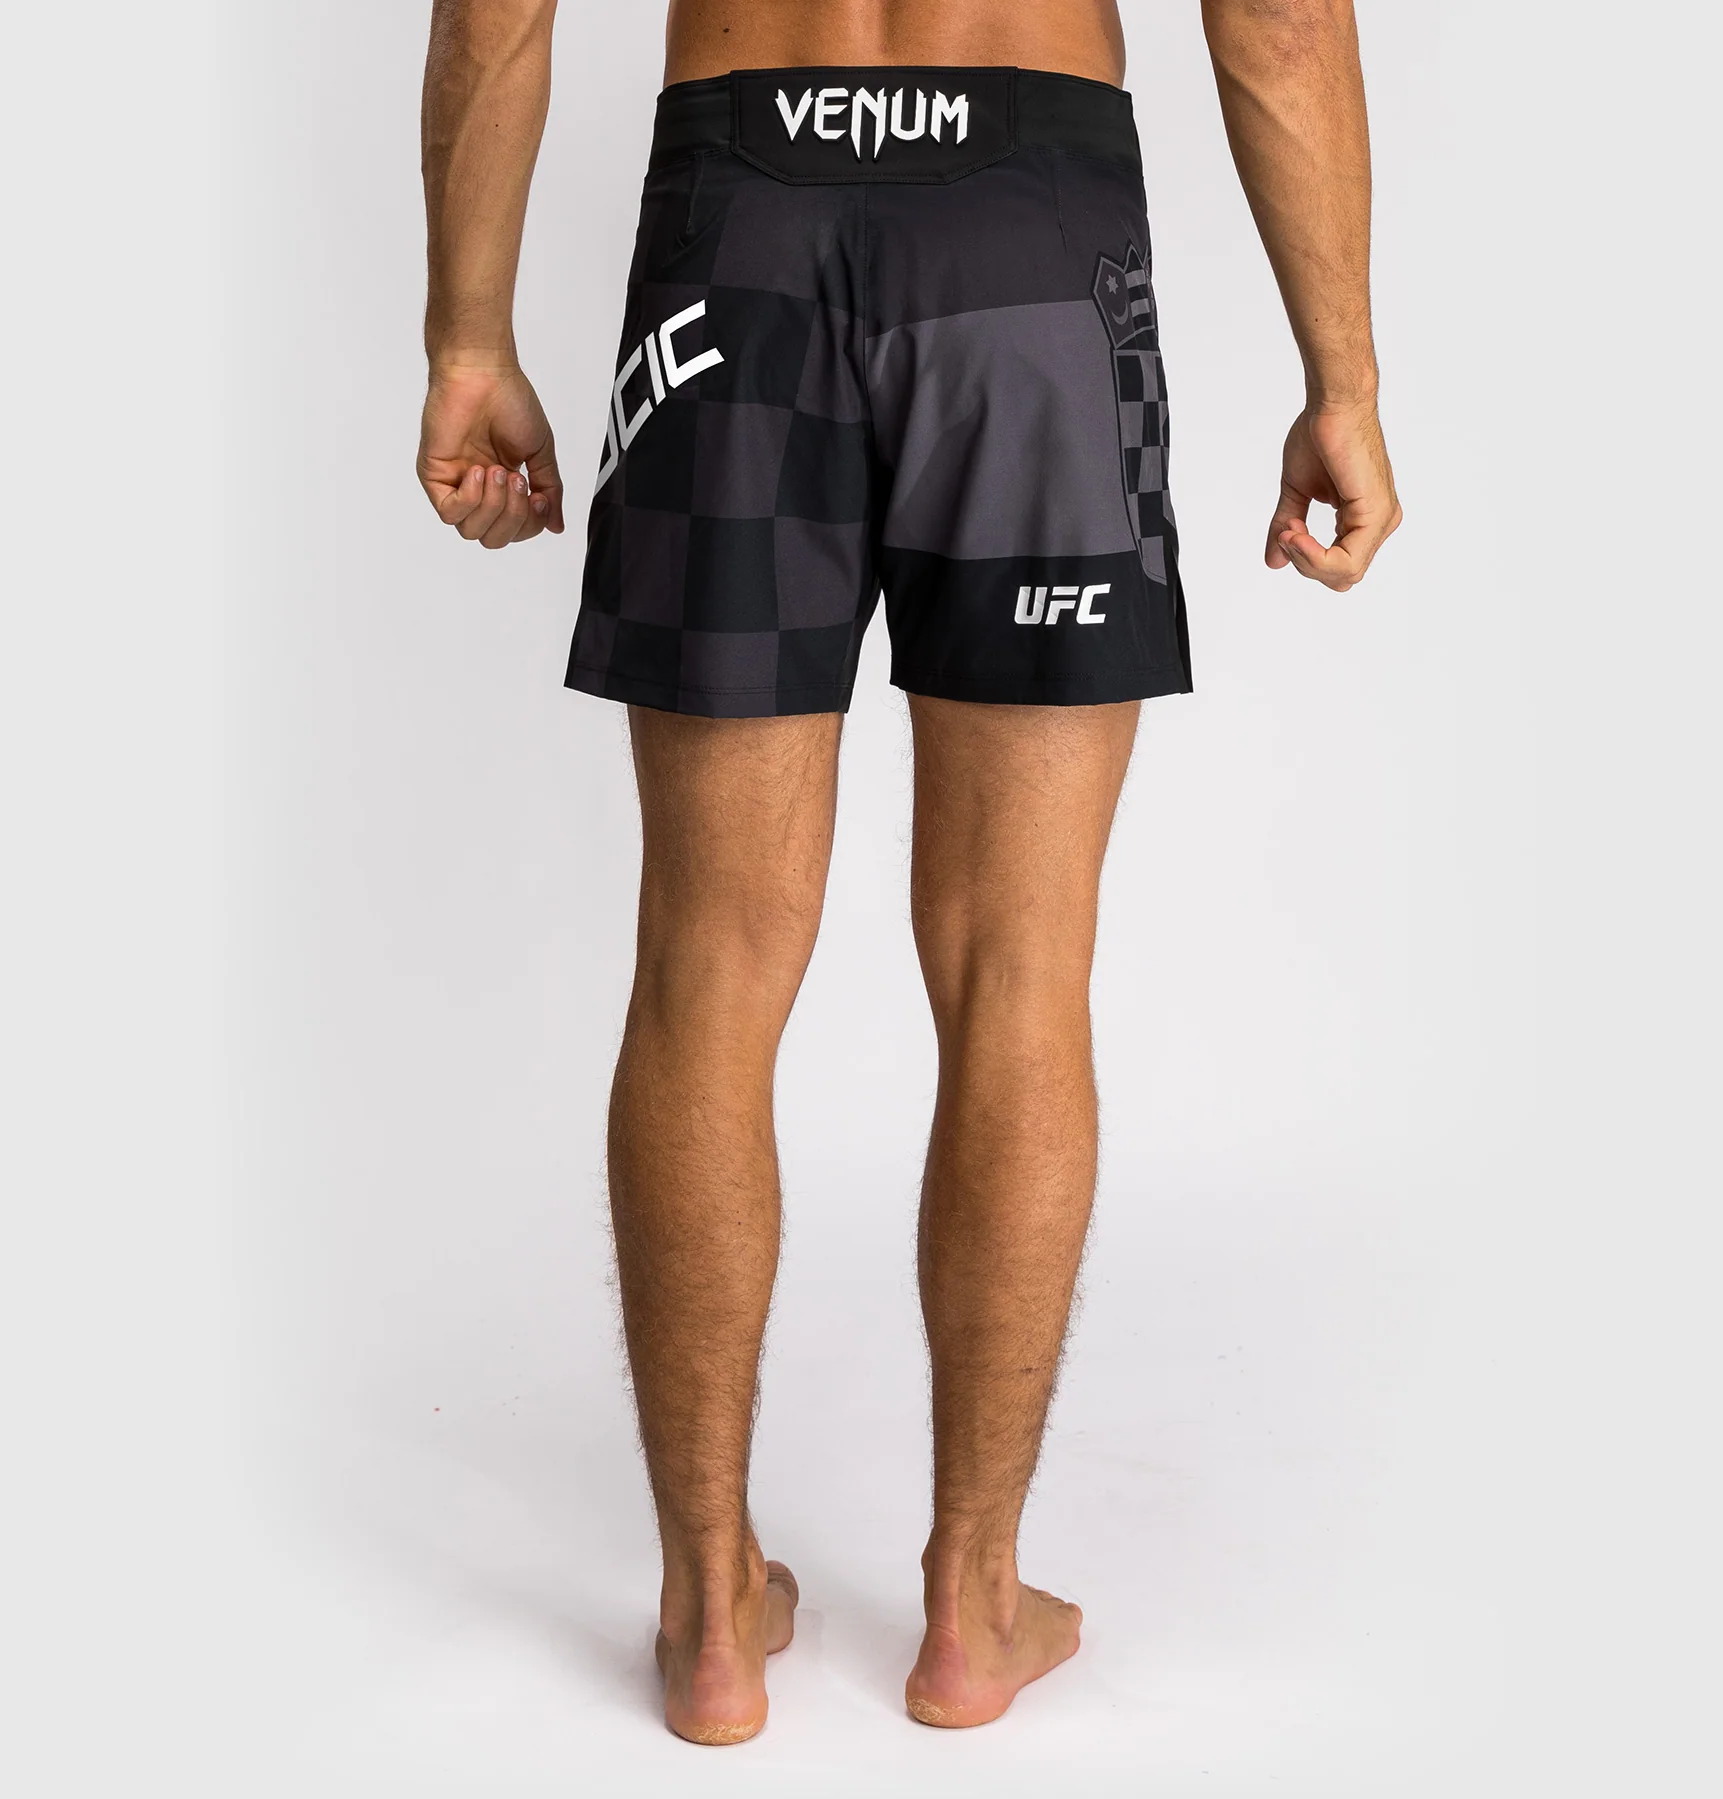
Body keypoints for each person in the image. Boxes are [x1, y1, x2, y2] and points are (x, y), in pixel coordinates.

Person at [416, 0, 1400, 1747]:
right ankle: (973, 1602)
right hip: (1032, 224)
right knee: (1021, 962)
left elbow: (497, 13)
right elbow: (1275, 22)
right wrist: (1347, 380)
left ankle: (709, 1616)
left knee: (706, 968)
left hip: (739, 224)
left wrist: (466, 336)